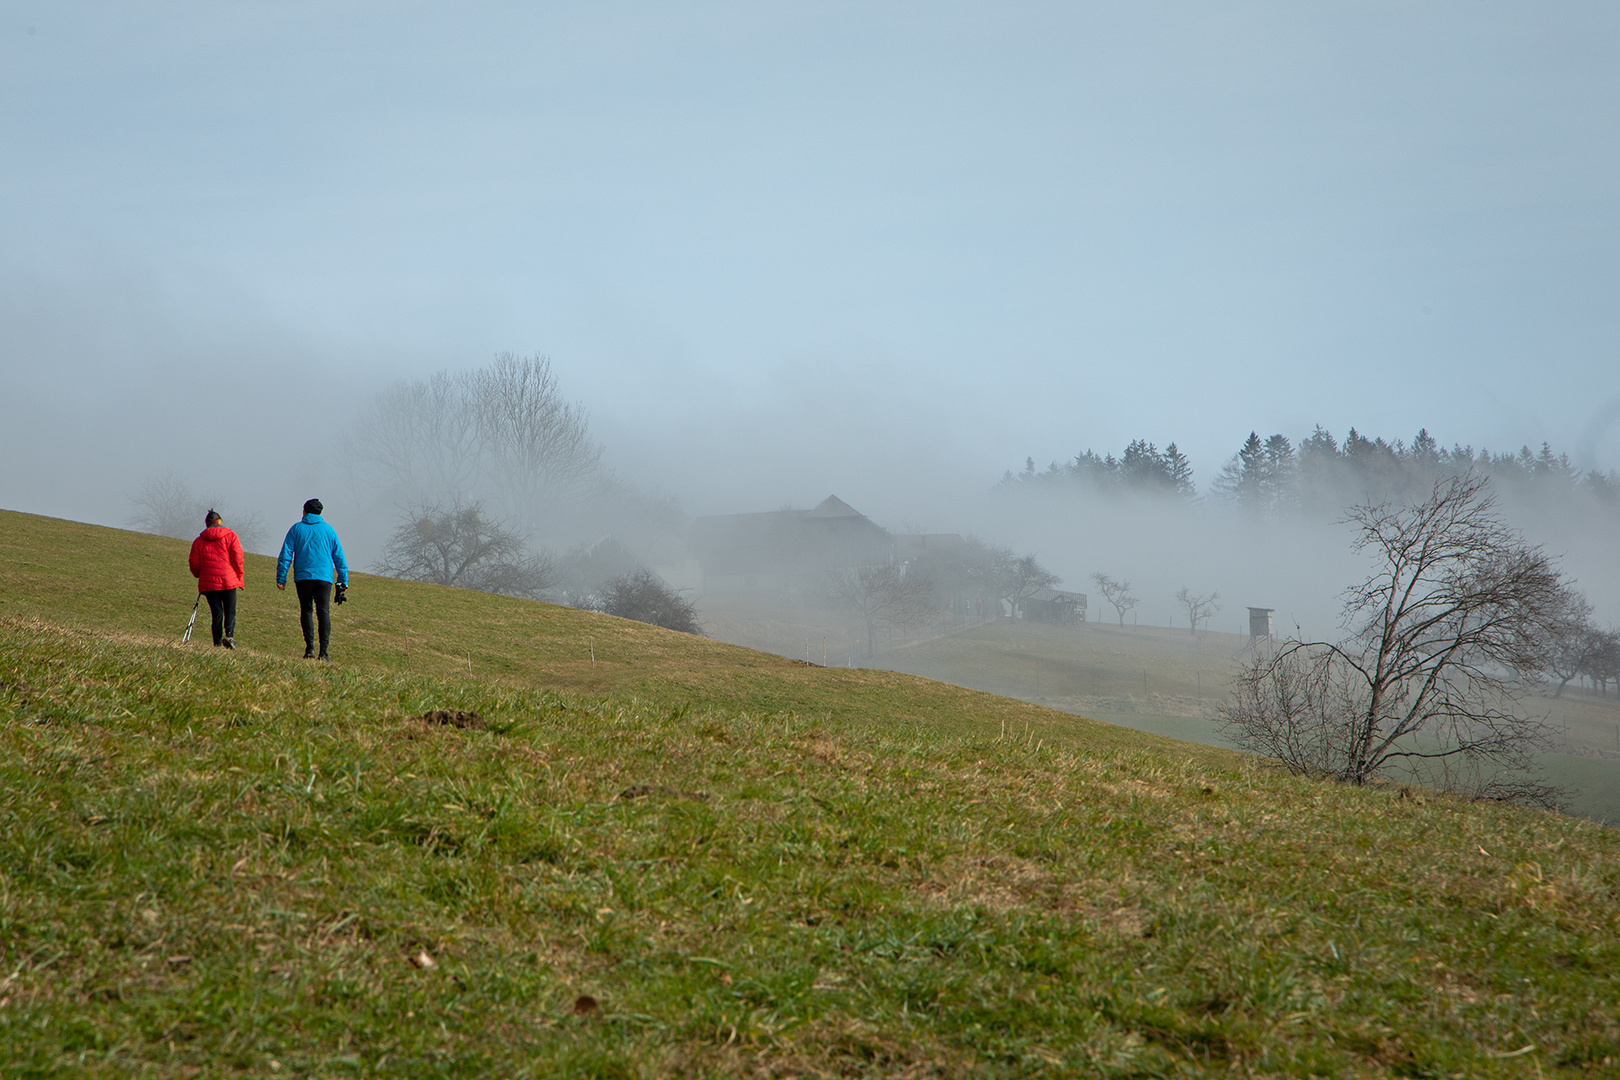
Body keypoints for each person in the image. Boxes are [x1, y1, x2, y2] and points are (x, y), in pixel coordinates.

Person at [276, 498, 349, 661]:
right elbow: (339, 557)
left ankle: (310, 649)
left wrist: (282, 577)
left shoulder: (296, 529)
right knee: (323, 612)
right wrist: (343, 580)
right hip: (324, 578)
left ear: (304, 511)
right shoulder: (329, 531)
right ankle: (324, 652)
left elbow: (286, 555)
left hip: (303, 577)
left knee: (306, 610)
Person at [189, 509, 246, 648]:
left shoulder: (199, 541)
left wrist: (198, 574)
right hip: (229, 580)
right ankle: (230, 636)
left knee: (217, 613)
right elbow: (237, 558)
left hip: (209, 583)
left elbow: (194, 562)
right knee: (230, 610)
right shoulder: (231, 536)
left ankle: (217, 642)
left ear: (207, 524)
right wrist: (239, 574)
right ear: (219, 522)